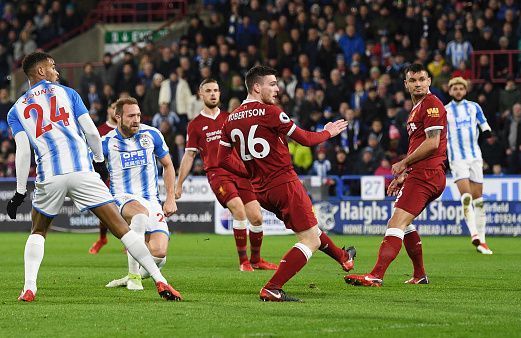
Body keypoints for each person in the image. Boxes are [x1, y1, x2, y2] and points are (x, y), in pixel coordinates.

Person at [5, 52, 181, 302]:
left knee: (38, 231)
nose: (56, 70)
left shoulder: (16, 110)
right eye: (52, 66)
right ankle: (161, 281)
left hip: (50, 174)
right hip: (82, 170)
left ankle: (29, 287)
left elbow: (23, 151)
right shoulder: (68, 93)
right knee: (122, 229)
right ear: (40, 71)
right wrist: (99, 163)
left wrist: (20, 191)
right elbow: (90, 131)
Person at [217, 66, 355, 302]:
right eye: (272, 84)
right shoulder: (270, 112)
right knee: (310, 239)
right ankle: (273, 287)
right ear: (257, 87)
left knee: (310, 229)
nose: (277, 89)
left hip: (261, 190)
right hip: (284, 183)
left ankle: (343, 257)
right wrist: (328, 132)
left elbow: (221, 159)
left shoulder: (230, 120)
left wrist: (250, 172)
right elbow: (305, 139)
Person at [344, 63, 447, 287]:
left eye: (422, 79)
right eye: (413, 80)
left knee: (396, 222)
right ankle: (420, 275)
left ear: (429, 81)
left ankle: (376, 275)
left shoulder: (432, 105)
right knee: (405, 223)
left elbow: (432, 143)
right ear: (406, 84)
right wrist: (405, 173)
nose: (418, 84)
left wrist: (403, 163)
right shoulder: (416, 107)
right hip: (421, 173)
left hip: (427, 174)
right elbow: (420, 144)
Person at [176, 78, 278, 272]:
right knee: (238, 210)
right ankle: (243, 262)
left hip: (240, 172)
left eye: (216, 90)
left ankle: (256, 260)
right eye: (208, 91)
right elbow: (189, 155)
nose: (213, 94)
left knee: (256, 218)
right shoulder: (195, 125)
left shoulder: (230, 118)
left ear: (220, 93)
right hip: (218, 174)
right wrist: (179, 184)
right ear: (201, 95)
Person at [102, 97, 177, 290]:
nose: (136, 119)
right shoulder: (106, 142)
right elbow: (89, 168)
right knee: (140, 214)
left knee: (159, 255)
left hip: (151, 199)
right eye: (131, 116)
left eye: (138, 115)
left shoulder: (152, 134)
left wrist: (170, 198)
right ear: (117, 117)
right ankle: (134, 278)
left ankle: (129, 275)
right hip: (122, 198)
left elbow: (168, 165)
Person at [445, 77, 493, 255]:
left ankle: (483, 241)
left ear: (465, 90)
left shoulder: (474, 107)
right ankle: (474, 234)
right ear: (450, 91)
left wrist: (487, 131)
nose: (458, 91)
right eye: (455, 88)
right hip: (457, 158)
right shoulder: (445, 111)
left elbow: (484, 124)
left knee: (479, 201)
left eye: (461, 88)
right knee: (466, 196)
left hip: (475, 157)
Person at [89, 103, 117, 254]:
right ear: (108, 110)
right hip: (105, 178)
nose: (114, 110)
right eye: (112, 107)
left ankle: (129, 242)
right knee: (104, 211)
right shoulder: (99, 131)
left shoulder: (125, 130)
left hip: (122, 178)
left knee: (126, 209)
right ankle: (102, 238)